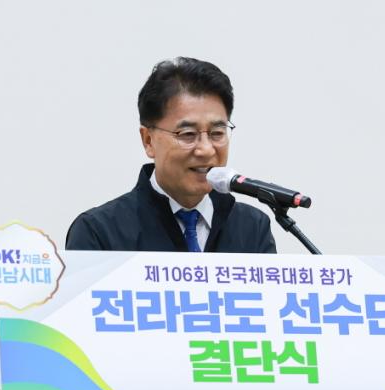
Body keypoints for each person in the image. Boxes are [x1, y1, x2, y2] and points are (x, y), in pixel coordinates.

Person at [66, 57, 276, 253]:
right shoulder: (100, 232)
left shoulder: (252, 228)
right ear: (148, 140)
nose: (206, 149)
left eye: (217, 133)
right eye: (188, 134)